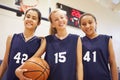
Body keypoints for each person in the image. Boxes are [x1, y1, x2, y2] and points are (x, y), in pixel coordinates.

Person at [15, 9, 83, 80]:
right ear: (53, 24)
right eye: (56, 19)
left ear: (66, 18)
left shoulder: (76, 39)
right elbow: (34, 57)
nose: (60, 20)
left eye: (62, 17)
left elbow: (79, 64)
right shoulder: (47, 40)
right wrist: (18, 69)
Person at [0, 8, 42, 80]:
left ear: (38, 23)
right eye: (28, 16)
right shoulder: (11, 37)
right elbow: (5, 63)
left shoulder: (40, 42)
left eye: (34, 18)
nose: (30, 19)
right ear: (24, 18)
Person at [79, 13, 118, 80]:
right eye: (84, 24)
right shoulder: (79, 41)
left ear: (96, 23)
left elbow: (113, 63)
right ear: (80, 26)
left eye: (90, 22)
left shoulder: (106, 39)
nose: (87, 26)